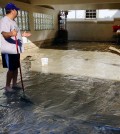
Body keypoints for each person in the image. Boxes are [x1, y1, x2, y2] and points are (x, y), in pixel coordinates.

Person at [0, 3, 31, 92]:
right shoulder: (4, 21)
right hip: (9, 50)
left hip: (15, 49)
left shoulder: (13, 21)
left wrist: (22, 35)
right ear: (13, 11)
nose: (17, 12)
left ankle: (14, 84)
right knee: (11, 69)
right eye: (16, 10)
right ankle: (7, 86)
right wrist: (10, 34)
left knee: (16, 67)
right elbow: (4, 34)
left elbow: (15, 34)